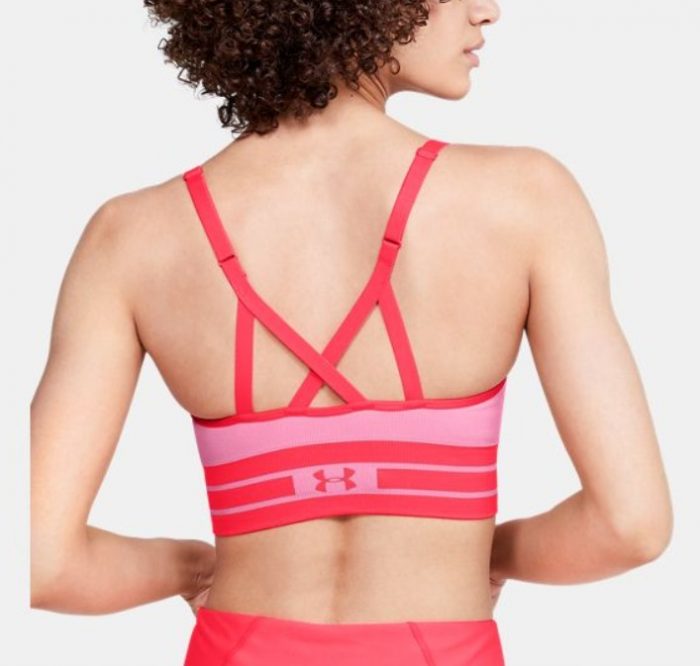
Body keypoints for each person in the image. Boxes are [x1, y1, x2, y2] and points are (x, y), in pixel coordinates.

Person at [30, 1, 673, 664]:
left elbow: (41, 563)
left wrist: (191, 567)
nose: (487, 11)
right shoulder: (527, 198)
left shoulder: (130, 237)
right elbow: (630, 527)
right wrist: (487, 555)